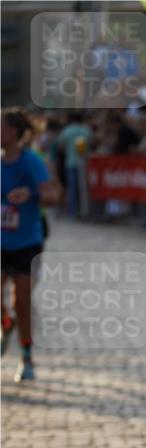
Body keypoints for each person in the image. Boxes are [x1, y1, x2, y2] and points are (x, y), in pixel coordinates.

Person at [1, 108, 58, 381]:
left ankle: (26, 358)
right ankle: (6, 322)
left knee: (21, 302)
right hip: (1, 241)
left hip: (27, 242)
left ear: (13, 132)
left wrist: (31, 195)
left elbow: (53, 196)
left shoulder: (31, 161)